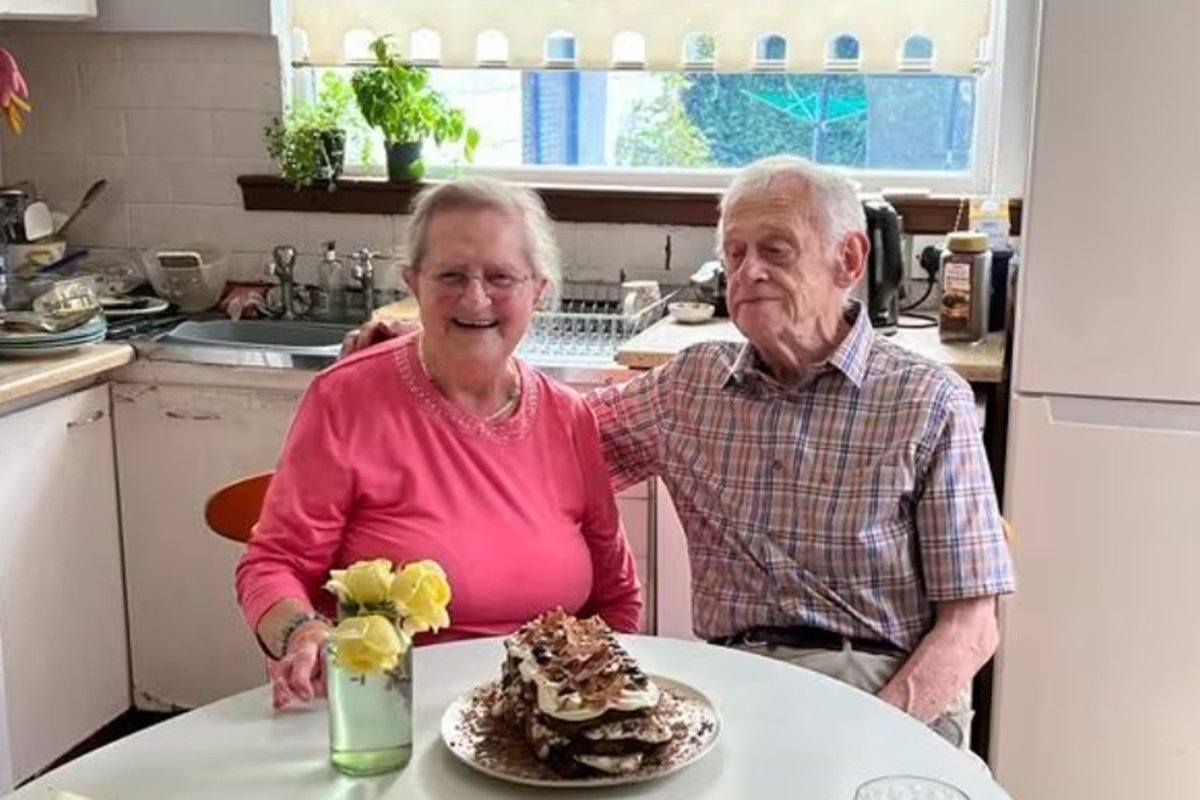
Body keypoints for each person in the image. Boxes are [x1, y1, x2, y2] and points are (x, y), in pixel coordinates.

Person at [341, 157, 1016, 747]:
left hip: (884, 681)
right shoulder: (692, 386)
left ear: (848, 260)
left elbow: (972, 627)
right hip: (736, 685)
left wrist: (877, 725)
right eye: (735, 252)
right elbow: (534, 437)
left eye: (775, 250)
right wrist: (424, 357)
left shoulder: (929, 401)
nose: (747, 272)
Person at [236, 177, 641, 711]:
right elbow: (271, 565)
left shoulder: (569, 418)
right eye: (451, 275)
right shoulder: (347, 398)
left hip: (542, 718)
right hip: (391, 709)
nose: (475, 298)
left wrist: (592, 709)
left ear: (537, 291)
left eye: (501, 277)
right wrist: (302, 631)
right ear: (414, 282)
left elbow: (617, 598)